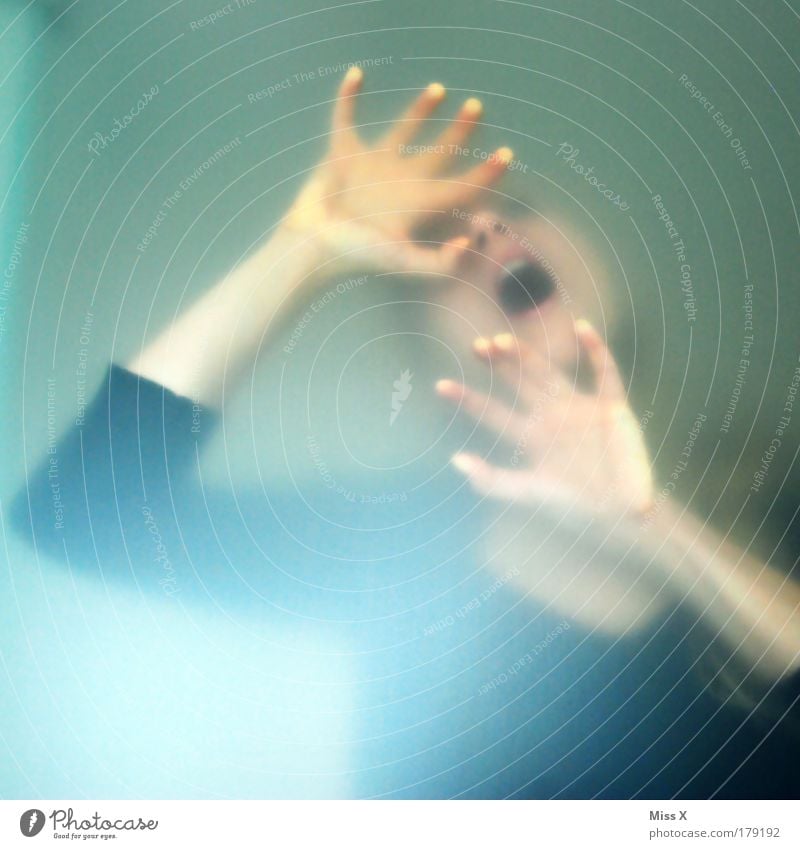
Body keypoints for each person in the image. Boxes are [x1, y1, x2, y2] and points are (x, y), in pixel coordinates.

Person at [12, 68, 800, 798]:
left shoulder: (777, 503)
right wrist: (303, 249)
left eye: (516, 211)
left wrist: (653, 526)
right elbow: (81, 510)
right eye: (446, 258)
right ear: (432, 362)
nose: (490, 229)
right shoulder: (386, 545)